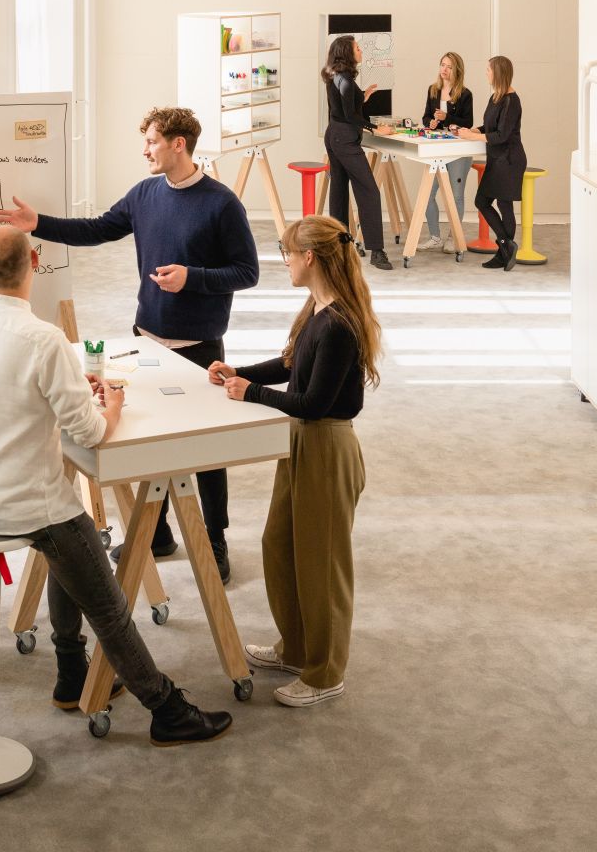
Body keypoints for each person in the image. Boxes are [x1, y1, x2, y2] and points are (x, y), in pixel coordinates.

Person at [0, 226, 234, 746]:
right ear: (34, 263)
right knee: (108, 604)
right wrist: (112, 404)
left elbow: (5, 389)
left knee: (73, 549)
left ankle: (72, 672)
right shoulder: (44, 339)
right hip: (32, 503)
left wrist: (73, 387)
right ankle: (166, 708)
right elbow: (92, 433)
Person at [0, 106, 257, 584]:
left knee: (207, 452)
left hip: (199, 346)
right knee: (150, 436)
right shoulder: (145, 194)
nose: (145, 150)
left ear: (178, 144)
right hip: (146, 338)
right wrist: (37, 223)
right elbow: (96, 229)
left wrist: (192, 277)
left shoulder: (221, 204)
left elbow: (247, 272)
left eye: (152, 141)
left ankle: (214, 539)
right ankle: (157, 533)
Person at [207, 214, 379, 708]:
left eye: (287, 253)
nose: (283, 261)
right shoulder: (315, 309)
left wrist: (250, 392)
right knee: (280, 544)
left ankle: (325, 673)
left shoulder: (340, 324)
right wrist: (238, 371)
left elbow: (315, 403)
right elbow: (290, 364)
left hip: (326, 445)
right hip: (299, 440)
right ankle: (297, 648)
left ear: (310, 257)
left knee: (322, 564)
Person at [322, 35, 392, 272]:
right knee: (369, 190)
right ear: (347, 53)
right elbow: (349, 115)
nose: (361, 51)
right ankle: (377, 252)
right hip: (344, 139)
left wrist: (363, 96)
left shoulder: (337, 75)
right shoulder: (345, 80)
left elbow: (345, 105)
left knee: (339, 190)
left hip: (334, 135)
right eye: (358, 48)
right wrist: (375, 128)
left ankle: (340, 246)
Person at [456, 55, 526, 272]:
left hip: (509, 159)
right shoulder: (495, 97)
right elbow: (490, 127)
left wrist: (473, 137)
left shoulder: (511, 101)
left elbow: (502, 135)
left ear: (498, 72)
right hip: (497, 159)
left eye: (488, 69)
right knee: (483, 201)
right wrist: (473, 130)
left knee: (503, 205)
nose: (486, 73)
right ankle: (506, 248)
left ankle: (504, 250)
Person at [420, 51, 476, 253]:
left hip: (458, 150)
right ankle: (435, 237)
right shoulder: (433, 90)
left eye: (449, 67)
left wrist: (447, 118)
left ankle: (454, 237)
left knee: (456, 195)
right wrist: (431, 122)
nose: (444, 69)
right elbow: (426, 116)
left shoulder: (465, 94)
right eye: (442, 65)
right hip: (437, 148)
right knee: (427, 194)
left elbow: (468, 122)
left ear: (457, 70)